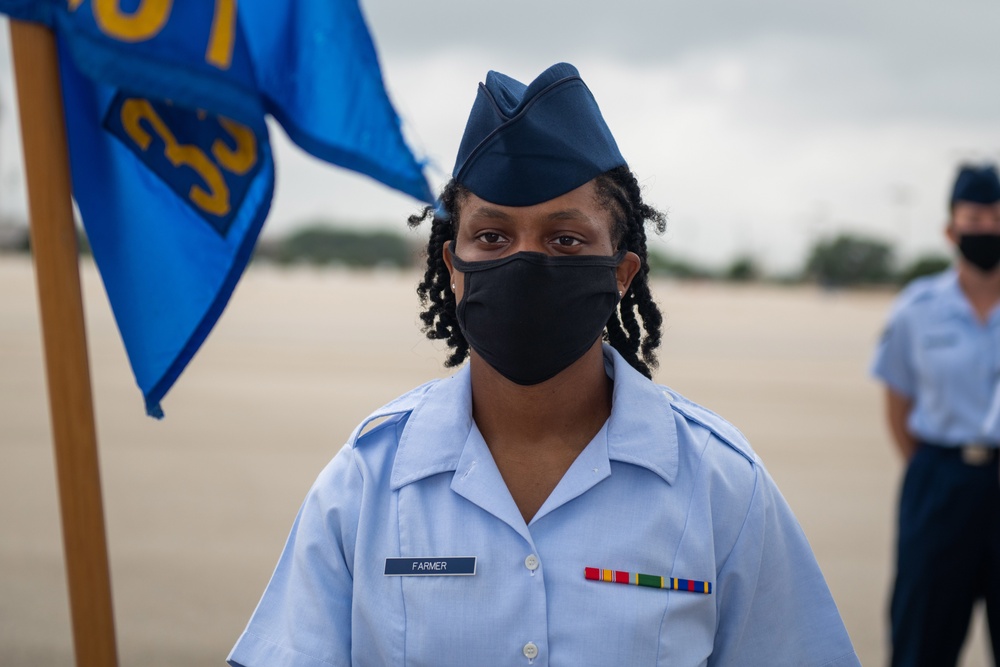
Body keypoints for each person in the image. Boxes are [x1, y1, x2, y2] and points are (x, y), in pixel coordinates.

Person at [228, 62, 859, 666]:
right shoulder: (367, 482)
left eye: (566, 239)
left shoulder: (721, 484)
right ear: (453, 268)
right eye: (493, 237)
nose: (526, 262)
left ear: (621, 273)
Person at [872, 164, 1000, 666]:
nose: (987, 229)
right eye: (975, 218)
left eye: (996, 218)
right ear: (951, 229)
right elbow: (898, 404)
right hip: (941, 483)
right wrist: (936, 469)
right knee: (923, 635)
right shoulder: (916, 309)